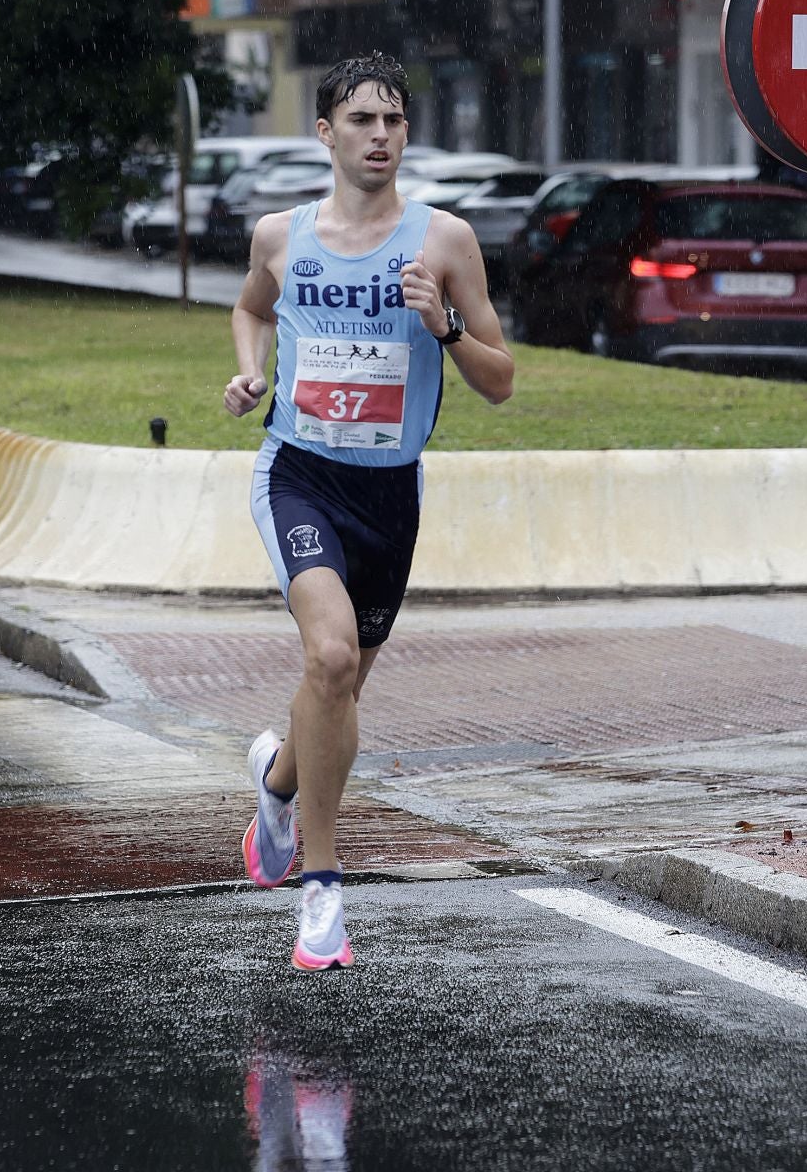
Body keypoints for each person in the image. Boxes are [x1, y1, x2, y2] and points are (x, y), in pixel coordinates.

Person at [223, 53, 514, 970]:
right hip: (300, 473)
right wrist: (252, 370)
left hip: (391, 492)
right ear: (326, 133)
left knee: (339, 690)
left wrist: (446, 328)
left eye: (392, 121)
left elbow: (501, 383)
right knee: (332, 656)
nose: (379, 136)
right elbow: (251, 309)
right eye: (360, 120)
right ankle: (320, 891)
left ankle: (276, 786)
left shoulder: (444, 242)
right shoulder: (282, 234)